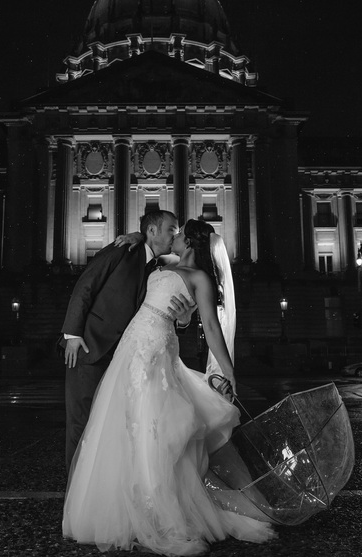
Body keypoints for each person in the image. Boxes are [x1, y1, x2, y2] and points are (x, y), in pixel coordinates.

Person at [63, 219, 275, 555]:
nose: (173, 237)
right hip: (131, 348)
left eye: (178, 234)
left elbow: (212, 327)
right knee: (120, 423)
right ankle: (120, 500)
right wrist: (136, 234)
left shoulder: (199, 278)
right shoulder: (159, 263)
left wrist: (228, 369)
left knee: (153, 426)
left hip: (156, 350)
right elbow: (136, 262)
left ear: (189, 242)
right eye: (170, 231)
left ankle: (154, 509)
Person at [61, 210, 195, 471]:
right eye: (172, 229)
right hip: (90, 348)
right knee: (81, 423)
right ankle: (74, 497)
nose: (176, 234)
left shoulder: (158, 268)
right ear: (153, 231)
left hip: (126, 360)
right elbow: (86, 284)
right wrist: (72, 334)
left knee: (110, 427)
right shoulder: (121, 250)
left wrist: (184, 320)